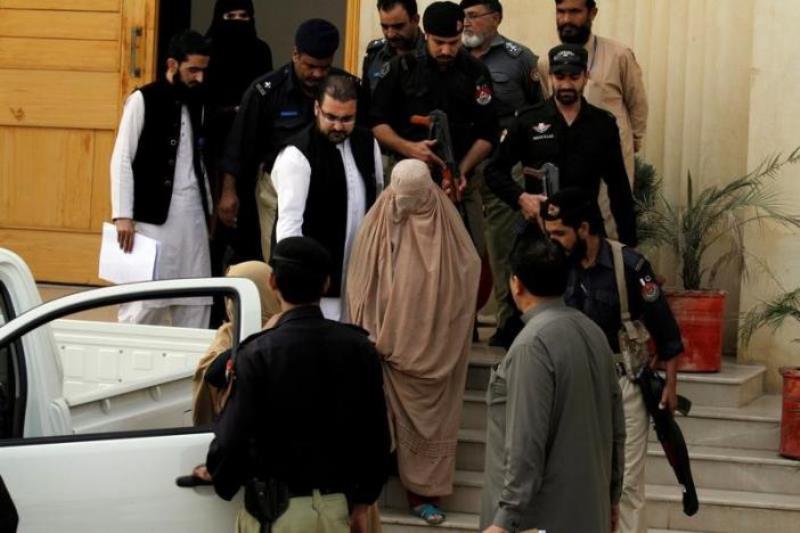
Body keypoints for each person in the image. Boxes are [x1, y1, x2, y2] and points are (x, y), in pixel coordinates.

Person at [206, 236, 391, 533]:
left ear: (273, 282)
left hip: (275, 514)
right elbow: (377, 437)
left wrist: (220, 477)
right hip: (338, 511)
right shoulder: (358, 347)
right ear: (327, 284)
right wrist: (362, 504)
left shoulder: (256, 353)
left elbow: (232, 440)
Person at [346, 159, 480, 525]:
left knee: (430, 421)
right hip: (381, 345)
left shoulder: (448, 230)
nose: (404, 206)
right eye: (399, 197)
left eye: (413, 200)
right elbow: (360, 282)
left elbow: (466, 279)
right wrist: (373, 332)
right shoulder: (379, 219)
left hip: (432, 352)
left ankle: (423, 494)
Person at [543, 188, 684, 533]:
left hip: (626, 384)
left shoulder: (631, 266)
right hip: (575, 384)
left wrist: (671, 387)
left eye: (560, 232)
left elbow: (666, 330)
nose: (554, 241)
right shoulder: (557, 265)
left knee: (628, 483)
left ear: (585, 228)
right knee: (574, 474)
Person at [480, 238, 625, 533]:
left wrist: (505, 520)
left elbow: (526, 442)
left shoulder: (531, 346)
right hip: (587, 512)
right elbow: (617, 430)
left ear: (516, 284)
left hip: (538, 520)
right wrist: (612, 497)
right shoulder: (594, 333)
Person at [218, 19, 355, 263]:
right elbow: (237, 146)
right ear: (295, 54)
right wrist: (228, 193)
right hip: (277, 190)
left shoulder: (343, 87)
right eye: (310, 66)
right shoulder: (266, 92)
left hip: (329, 185)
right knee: (282, 258)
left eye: (324, 67)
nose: (318, 74)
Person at [110, 30, 214, 328]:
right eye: (192, 69)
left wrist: (208, 209)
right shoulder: (143, 99)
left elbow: (198, 160)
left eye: (203, 70)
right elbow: (121, 158)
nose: (199, 77)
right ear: (172, 64)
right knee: (142, 305)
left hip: (192, 221)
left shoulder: (199, 102)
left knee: (195, 302)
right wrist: (123, 216)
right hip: (148, 223)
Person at [485, 43, 636, 247]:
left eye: (574, 77)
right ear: (550, 77)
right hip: (541, 233)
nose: (566, 84)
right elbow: (494, 171)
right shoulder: (527, 121)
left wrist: (628, 247)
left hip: (586, 233)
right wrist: (521, 198)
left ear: (586, 76)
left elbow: (619, 189)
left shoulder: (603, 124)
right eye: (560, 77)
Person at [460, 0, 544, 347]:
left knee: (502, 245)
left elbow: (536, 109)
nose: (466, 23)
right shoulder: (451, 56)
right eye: (463, 16)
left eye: (474, 16)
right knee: (462, 246)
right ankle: (463, 324)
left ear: (495, 19)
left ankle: (508, 324)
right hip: (460, 164)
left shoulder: (519, 58)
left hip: (502, 165)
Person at [271, 75, 383, 321]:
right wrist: (297, 289)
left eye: (346, 119)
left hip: (359, 280)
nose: (338, 127)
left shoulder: (367, 143)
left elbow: (378, 201)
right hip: (315, 290)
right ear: (316, 109)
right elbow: (289, 227)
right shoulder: (297, 154)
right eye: (330, 117)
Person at [370, 1, 499, 211]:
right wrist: (410, 148)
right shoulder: (401, 69)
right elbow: (377, 123)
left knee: (469, 242)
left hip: (460, 186)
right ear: (427, 35)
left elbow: (488, 133)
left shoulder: (476, 72)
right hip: (408, 183)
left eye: (454, 42)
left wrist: (459, 171)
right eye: (439, 42)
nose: (446, 50)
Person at [205, 0, 274, 326]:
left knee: (250, 239)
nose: (237, 24)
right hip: (209, 157)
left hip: (251, 159)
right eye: (230, 18)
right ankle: (212, 314)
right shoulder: (208, 51)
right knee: (212, 242)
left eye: (243, 18)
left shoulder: (260, 51)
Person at [192, 261, 281, 426]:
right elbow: (211, 372)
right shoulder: (229, 333)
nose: (229, 304)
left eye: (233, 297)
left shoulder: (287, 328)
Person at [362, 0, 425, 95]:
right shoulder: (375, 55)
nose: (390, 34)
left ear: (415, 20)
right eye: (385, 27)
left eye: (398, 27)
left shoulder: (434, 54)